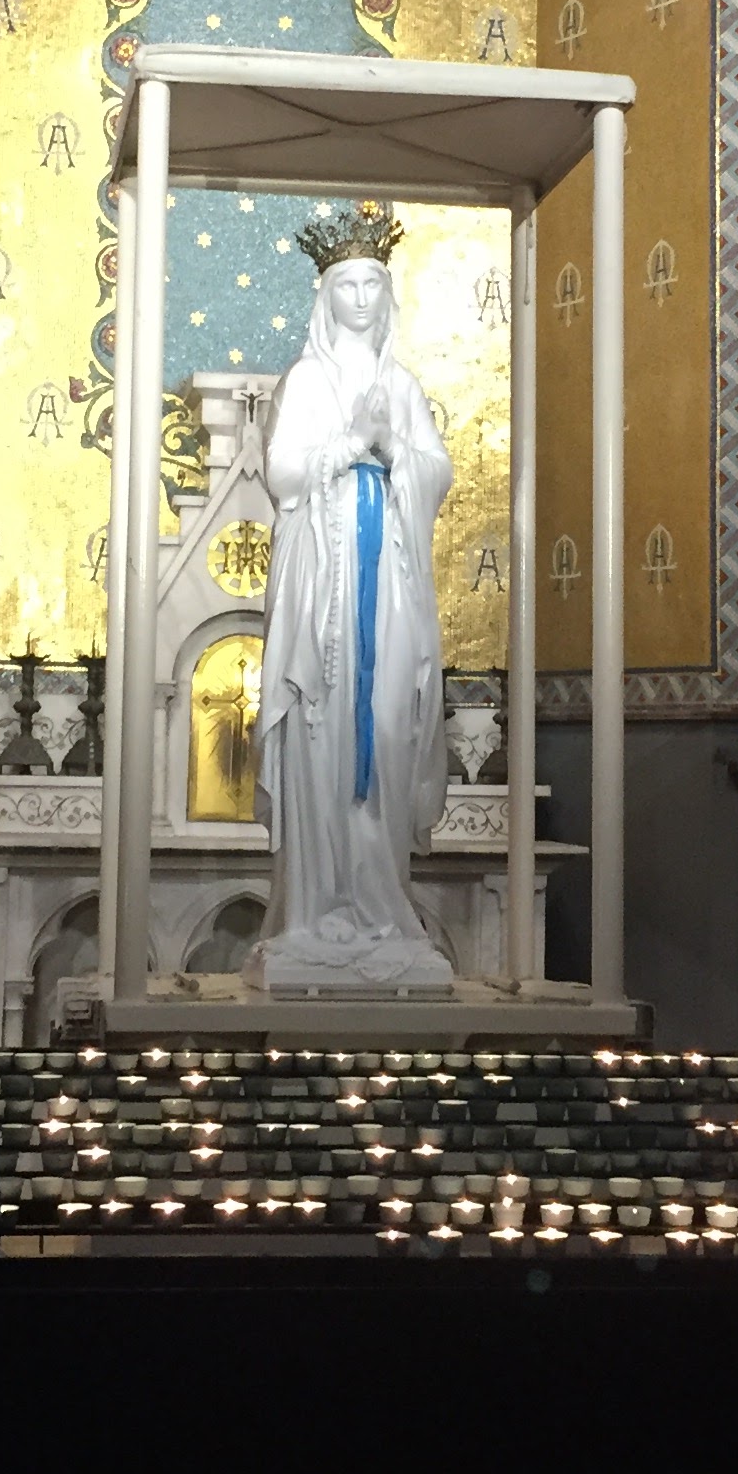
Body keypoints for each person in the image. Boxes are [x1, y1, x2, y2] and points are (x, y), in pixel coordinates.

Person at [255, 204, 454, 991]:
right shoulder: (307, 380)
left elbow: (435, 472)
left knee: (389, 728)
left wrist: (394, 447)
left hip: (391, 588)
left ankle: (380, 910)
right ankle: (314, 912)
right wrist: (346, 447)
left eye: (374, 283)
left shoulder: (400, 386)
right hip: (323, 589)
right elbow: (282, 473)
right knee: (322, 738)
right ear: (326, 294)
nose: (363, 298)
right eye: (349, 283)